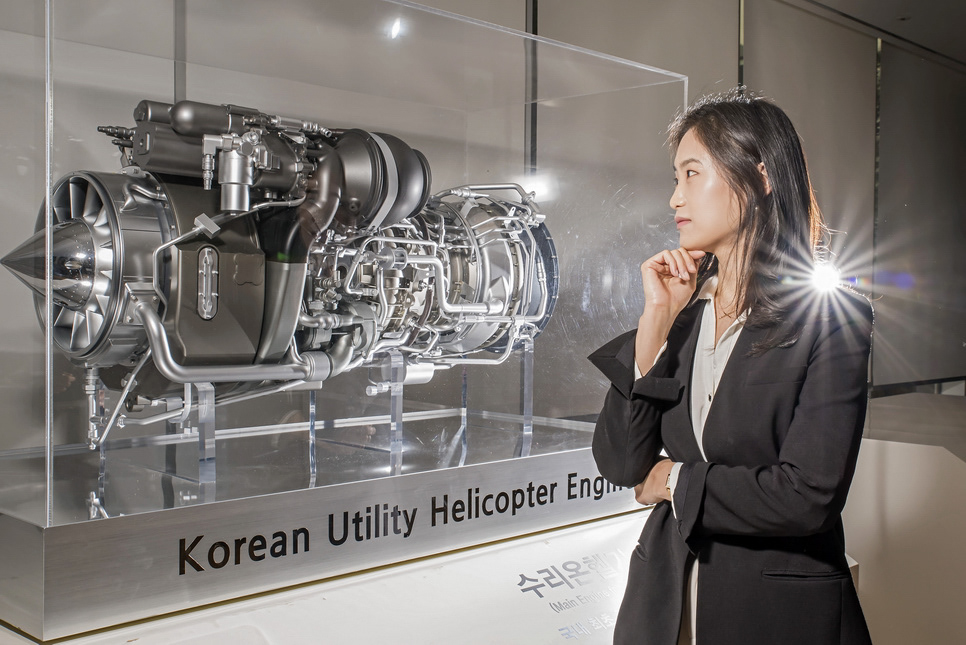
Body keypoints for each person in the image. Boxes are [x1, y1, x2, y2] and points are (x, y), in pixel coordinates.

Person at [589, 90, 874, 645]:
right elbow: (622, 464)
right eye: (675, 178)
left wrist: (674, 480)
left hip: (774, 615)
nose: (675, 197)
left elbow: (806, 497)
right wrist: (655, 322)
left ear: (760, 176)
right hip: (664, 608)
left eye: (692, 174)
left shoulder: (830, 318)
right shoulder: (683, 316)